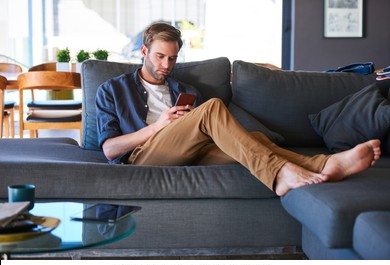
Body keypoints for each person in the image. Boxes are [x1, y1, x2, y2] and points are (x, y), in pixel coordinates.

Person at [96, 23, 381, 196]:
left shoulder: (185, 91)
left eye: (172, 58)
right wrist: (160, 126)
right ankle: (279, 175)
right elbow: (110, 150)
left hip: (188, 154)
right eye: (159, 56)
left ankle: (326, 164)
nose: (166, 65)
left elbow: (203, 135)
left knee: (255, 140)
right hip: (142, 158)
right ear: (144, 52)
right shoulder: (113, 89)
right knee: (212, 108)